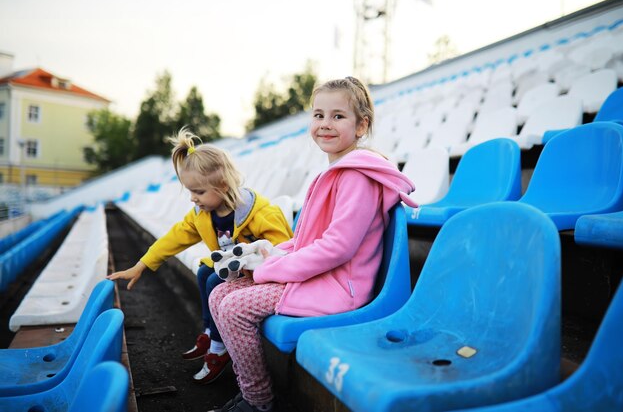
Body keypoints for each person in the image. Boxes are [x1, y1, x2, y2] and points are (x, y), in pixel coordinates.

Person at [208, 77, 417, 412]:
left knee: (235, 308)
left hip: (338, 287)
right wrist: (273, 253)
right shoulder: (334, 172)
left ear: (361, 125)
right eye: (318, 115)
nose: (325, 124)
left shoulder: (356, 177)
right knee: (219, 293)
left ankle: (258, 401)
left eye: (338, 116)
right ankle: (250, 391)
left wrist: (271, 269)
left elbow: (338, 247)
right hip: (320, 275)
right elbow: (310, 240)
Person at [107, 128, 293, 384]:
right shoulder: (202, 214)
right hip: (232, 270)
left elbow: (283, 251)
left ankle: (218, 346)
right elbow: (174, 238)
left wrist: (255, 264)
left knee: (214, 280)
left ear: (223, 185)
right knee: (206, 270)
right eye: (190, 191)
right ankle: (210, 330)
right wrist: (142, 265)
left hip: (260, 275)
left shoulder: (261, 213)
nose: (193, 198)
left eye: (199, 192)